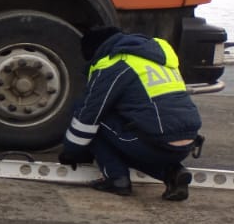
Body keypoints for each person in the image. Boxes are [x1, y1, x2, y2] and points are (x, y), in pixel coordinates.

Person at [58, 25, 201, 200]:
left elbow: (88, 116)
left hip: (153, 142)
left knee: (92, 118)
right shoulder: (157, 57)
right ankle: (172, 173)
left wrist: (71, 152)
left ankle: (116, 178)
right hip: (187, 143)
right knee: (131, 141)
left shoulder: (114, 64)